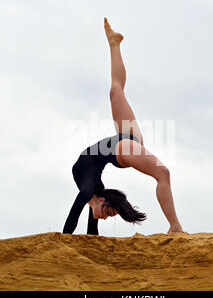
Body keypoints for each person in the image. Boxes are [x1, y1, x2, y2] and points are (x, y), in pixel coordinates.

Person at [62, 18, 184, 235]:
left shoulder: (89, 191)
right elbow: (93, 234)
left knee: (116, 91)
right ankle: (114, 44)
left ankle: (114, 43)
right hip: (123, 145)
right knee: (116, 91)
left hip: (122, 145)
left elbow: (74, 217)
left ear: (101, 200)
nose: (106, 216)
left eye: (107, 212)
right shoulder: (95, 194)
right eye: (110, 213)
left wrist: (62, 242)